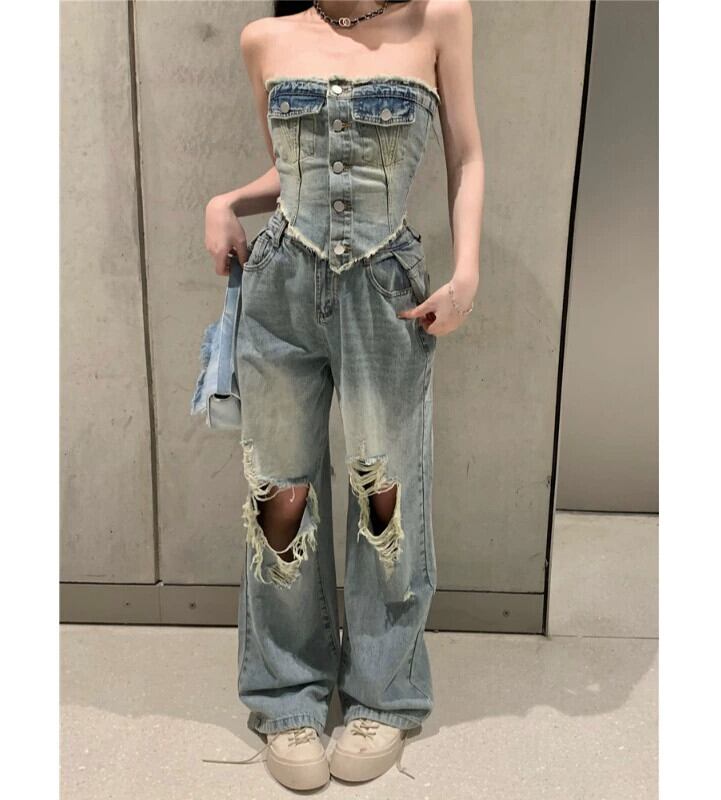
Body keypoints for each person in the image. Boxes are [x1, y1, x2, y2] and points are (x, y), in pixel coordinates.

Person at [203, 0, 483, 789]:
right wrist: (226, 202)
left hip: (386, 291)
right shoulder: (266, 39)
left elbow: (467, 154)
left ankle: (383, 693)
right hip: (280, 291)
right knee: (280, 500)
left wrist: (467, 272)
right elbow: (298, 173)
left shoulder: (440, 19)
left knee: (384, 500)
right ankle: (286, 696)